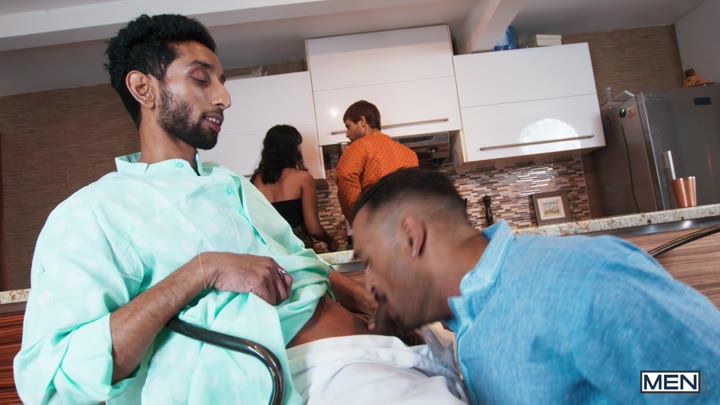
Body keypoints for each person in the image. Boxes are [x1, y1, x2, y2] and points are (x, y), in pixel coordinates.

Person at [12, 14, 441, 404]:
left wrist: (365, 300)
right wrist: (202, 271)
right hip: (306, 380)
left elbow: (301, 260)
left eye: (221, 81)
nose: (224, 97)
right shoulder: (92, 214)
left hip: (384, 350)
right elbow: (51, 380)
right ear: (143, 88)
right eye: (202, 80)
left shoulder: (231, 184)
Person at [350, 167, 720, 404]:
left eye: (369, 260)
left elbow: (700, 378)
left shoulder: (581, 283)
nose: (368, 282)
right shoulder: (470, 318)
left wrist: (643, 376)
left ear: (411, 237)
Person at [251, 124, 340, 253]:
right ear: (292, 149)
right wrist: (331, 241)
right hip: (299, 251)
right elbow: (313, 228)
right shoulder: (303, 178)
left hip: (271, 252)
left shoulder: (256, 181)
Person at [335, 100, 418, 223]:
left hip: (378, 222)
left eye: (348, 126)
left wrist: (358, 220)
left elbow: (344, 176)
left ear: (362, 121)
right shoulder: (410, 153)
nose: (347, 134)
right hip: (408, 221)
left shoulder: (358, 146)